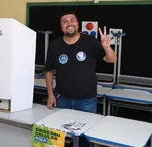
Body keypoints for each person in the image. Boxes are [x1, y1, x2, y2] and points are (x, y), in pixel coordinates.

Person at [44, 11, 117, 147]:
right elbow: (48, 70)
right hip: (62, 99)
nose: (69, 23)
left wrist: (107, 47)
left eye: (72, 20)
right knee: (61, 137)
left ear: (77, 24)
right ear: (61, 27)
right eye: (65, 21)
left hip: (87, 101)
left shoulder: (90, 41)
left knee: (84, 140)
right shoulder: (54, 46)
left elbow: (112, 59)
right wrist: (50, 95)